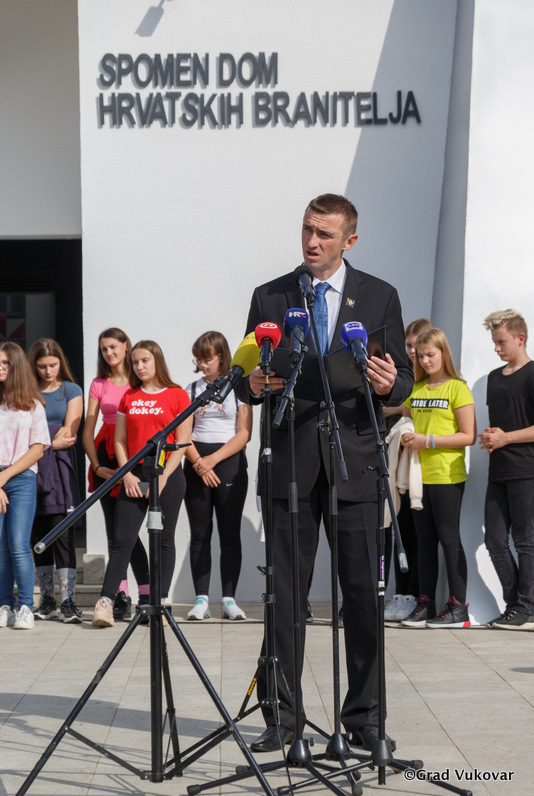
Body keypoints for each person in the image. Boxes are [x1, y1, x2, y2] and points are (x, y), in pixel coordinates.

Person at [241, 193, 413, 753]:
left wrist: (390, 385)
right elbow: (248, 374)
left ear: (349, 241)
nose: (312, 242)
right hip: (290, 461)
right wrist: (253, 384)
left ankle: (364, 719)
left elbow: (404, 379)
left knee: (362, 597)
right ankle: (282, 719)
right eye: (307, 230)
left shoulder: (380, 295)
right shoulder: (270, 295)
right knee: (284, 599)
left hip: (355, 463)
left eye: (325, 234)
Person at [91, 340, 191, 627]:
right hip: (134, 475)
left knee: (164, 540)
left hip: (167, 476)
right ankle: (105, 603)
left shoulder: (177, 395)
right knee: (122, 540)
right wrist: (126, 474)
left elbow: (182, 442)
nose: (139, 366)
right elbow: (120, 441)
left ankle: (158, 603)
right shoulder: (129, 396)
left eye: (144, 360)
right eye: (135, 362)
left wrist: (164, 476)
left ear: (157, 360)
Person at [401, 327, 476, 628]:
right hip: (418, 477)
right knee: (424, 542)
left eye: (430, 355)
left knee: (449, 539)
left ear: (444, 353)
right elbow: (404, 420)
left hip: (447, 475)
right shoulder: (417, 389)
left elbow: (468, 436)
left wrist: (428, 441)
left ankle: (458, 608)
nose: (425, 361)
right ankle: (425, 603)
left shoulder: (458, 388)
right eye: (420, 356)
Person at [184, 331, 252, 621]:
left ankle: (228, 599)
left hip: (228, 462)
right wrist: (199, 462)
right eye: (198, 360)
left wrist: (212, 460)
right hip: (196, 463)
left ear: (222, 357)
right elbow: (183, 434)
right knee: (199, 533)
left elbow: (244, 433)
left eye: (207, 359)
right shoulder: (191, 389)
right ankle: (201, 600)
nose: (202, 365)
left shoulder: (240, 387)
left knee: (229, 532)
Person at [82, 327, 149, 620]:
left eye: (113, 347)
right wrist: (97, 466)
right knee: (115, 532)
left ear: (125, 346)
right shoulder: (99, 383)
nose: (109, 353)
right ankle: (121, 596)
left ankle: (147, 594)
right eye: (104, 349)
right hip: (105, 456)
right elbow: (87, 431)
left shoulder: (139, 379)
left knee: (128, 532)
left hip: (133, 455)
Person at [479, 309, 534, 630]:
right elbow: (504, 421)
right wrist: (490, 436)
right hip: (497, 471)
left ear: (520, 338)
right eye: (494, 342)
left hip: (527, 471)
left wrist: (506, 438)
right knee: (495, 541)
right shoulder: (494, 378)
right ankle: (515, 606)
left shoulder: (533, 374)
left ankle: (527, 608)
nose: (496, 348)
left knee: (526, 542)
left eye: (501, 342)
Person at [28, 339, 83, 623]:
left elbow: (69, 434)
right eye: (42, 366)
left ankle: (68, 600)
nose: (48, 371)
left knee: (61, 534)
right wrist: (50, 439)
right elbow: (25, 432)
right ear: (33, 366)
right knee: (37, 535)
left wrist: (41, 440)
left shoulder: (71, 390)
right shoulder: (27, 391)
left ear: (60, 362)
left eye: (53, 365)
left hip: (61, 470)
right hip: (32, 468)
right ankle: (47, 599)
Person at [383, 318, 432, 622]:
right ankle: (400, 593)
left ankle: (414, 594)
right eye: (409, 346)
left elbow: (420, 408)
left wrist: (395, 408)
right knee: (397, 529)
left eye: (417, 346)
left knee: (416, 535)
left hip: (422, 466)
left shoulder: (430, 378)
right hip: (396, 463)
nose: (413, 352)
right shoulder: (403, 373)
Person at [0, 342, 50, 630]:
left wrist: (5, 477)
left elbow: (37, 449)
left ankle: (26, 607)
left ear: (16, 366)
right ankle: (4, 605)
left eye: (5, 363)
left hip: (21, 479)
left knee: (18, 544)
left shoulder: (32, 404)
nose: (0, 367)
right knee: (0, 547)